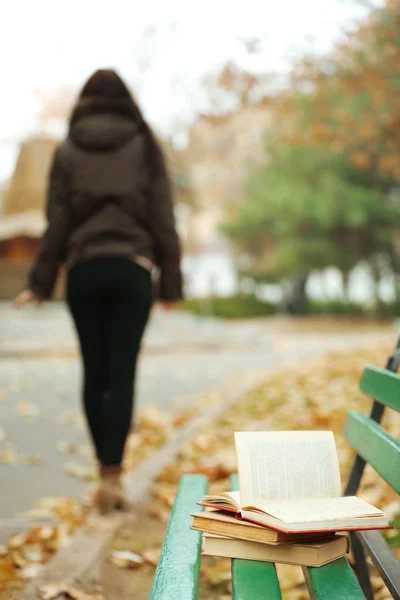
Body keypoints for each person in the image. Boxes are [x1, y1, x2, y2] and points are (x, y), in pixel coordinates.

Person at [14, 69, 183, 514]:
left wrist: (39, 284)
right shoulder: (145, 146)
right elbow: (163, 215)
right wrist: (171, 282)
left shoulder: (68, 150)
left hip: (85, 271)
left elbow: (57, 223)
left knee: (94, 372)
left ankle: (101, 475)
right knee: (122, 374)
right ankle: (114, 475)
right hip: (132, 270)